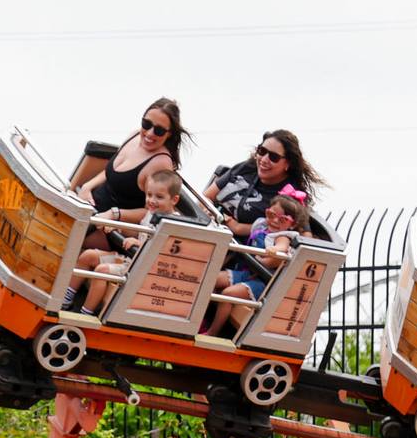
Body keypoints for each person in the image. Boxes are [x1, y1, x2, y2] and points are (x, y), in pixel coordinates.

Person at [75, 164, 184, 314]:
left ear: (174, 200)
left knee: (103, 270)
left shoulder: (174, 223)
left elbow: (164, 251)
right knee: (87, 256)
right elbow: (142, 233)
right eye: (149, 195)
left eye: (159, 197)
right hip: (131, 261)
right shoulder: (152, 213)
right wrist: (120, 228)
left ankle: (85, 312)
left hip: (143, 271)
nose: (151, 200)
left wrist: (140, 244)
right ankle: (66, 300)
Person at [211, 185, 310, 336]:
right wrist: (224, 218)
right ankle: (202, 318)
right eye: (271, 214)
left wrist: (274, 251)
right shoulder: (261, 226)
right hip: (245, 272)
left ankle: (213, 332)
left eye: (282, 219)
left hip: (261, 282)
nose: (275, 221)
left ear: (293, 224)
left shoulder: (282, 236)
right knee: (211, 279)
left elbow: (282, 248)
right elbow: (238, 228)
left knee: (228, 293)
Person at [206, 130, 325, 241]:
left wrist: (237, 227)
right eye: (262, 151)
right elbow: (207, 197)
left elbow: (305, 235)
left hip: (238, 248)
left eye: (274, 157)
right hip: (208, 227)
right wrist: (205, 212)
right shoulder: (247, 167)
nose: (264, 159)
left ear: (288, 164)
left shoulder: (290, 195)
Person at [75, 98, 186, 215]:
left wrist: (114, 215)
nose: (149, 133)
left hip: (109, 224)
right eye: (146, 124)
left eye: (159, 131)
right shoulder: (135, 135)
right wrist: (87, 186)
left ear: (169, 134)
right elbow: (112, 172)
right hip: (90, 204)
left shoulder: (161, 163)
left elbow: (151, 212)